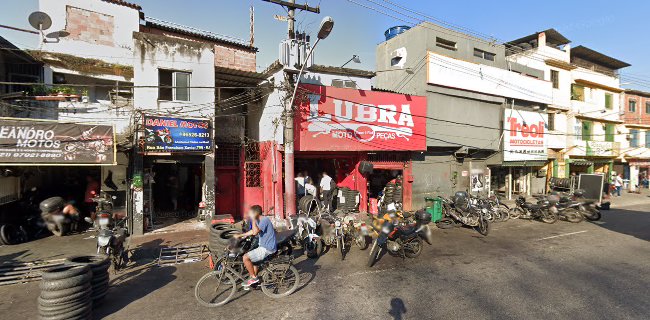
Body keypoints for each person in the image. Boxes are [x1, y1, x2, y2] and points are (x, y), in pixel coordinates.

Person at [234, 205, 276, 288]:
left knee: (245, 257)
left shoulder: (264, 220)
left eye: (251, 213)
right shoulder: (258, 220)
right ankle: (255, 278)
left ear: (255, 213)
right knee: (251, 258)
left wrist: (253, 219)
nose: (249, 215)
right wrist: (240, 235)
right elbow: (252, 231)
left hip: (267, 248)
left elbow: (255, 232)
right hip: (263, 246)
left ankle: (254, 278)